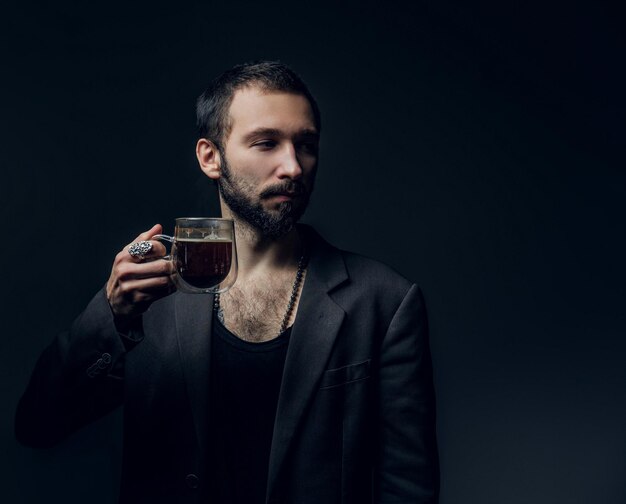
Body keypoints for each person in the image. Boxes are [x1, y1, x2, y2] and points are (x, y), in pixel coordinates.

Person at [15, 61, 439, 504]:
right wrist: (112, 313)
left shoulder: (384, 302)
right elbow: (38, 425)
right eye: (267, 143)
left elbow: (408, 487)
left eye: (306, 144)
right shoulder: (151, 292)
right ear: (210, 157)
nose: (293, 166)